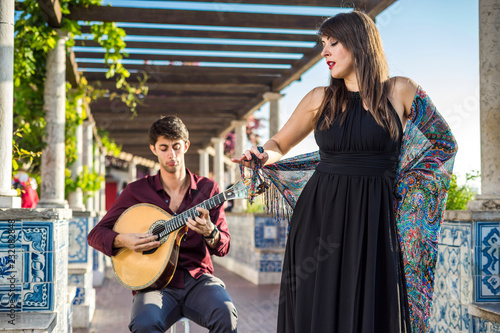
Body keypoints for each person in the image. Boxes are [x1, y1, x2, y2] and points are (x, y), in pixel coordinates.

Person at [235, 10, 457, 333]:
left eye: (333, 42)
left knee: (374, 312)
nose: (324, 52)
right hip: (319, 220)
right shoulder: (318, 99)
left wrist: (408, 192)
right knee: (319, 313)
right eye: (322, 43)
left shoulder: (401, 91)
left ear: (360, 43)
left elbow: (443, 143)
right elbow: (278, 145)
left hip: (376, 221)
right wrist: (259, 155)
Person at [87, 115, 238, 333]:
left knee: (226, 315)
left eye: (176, 147)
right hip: (153, 285)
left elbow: (223, 246)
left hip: (198, 280)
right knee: (144, 324)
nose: (172, 155)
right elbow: (95, 234)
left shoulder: (209, 190)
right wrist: (123, 240)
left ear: (186, 146)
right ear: (154, 149)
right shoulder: (136, 191)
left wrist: (210, 232)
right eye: (164, 147)